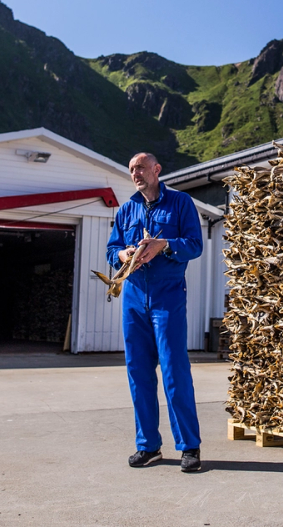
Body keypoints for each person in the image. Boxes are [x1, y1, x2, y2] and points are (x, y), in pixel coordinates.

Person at [106, 152, 204, 472]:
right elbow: (112, 249)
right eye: (131, 169)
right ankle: (148, 446)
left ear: (157, 170)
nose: (135, 173)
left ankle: (189, 446)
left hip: (168, 297)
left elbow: (194, 245)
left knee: (175, 371)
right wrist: (123, 253)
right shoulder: (126, 209)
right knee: (139, 373)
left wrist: (164, 244)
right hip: (133, 298)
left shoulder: (181, 203)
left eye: (141, 168)